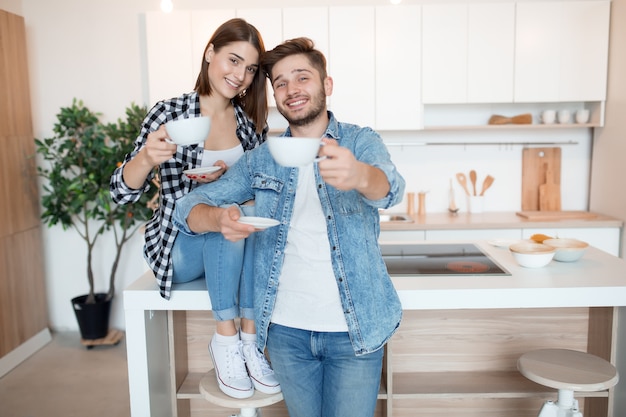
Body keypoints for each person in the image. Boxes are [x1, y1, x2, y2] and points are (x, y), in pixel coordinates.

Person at [172, 37, 405, 417]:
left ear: (326, 85)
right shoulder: (263, 159)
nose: (291, 90)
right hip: (285, 333)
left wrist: (359, 175)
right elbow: (187, 207)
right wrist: (219, 220)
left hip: (356, 330)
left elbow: (391, 190)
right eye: (280, 83)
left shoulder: (360, 142)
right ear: (275, 96)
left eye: (302, 78)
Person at [109, 18, 280, 399]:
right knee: (227, 223)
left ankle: (249, 342)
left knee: (238, 219)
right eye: (233, 61)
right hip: (177, 245)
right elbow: (120, 194)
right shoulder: (169, 114)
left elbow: (259, 190)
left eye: (250, 69)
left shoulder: (249, 124)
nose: (240, 76)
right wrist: (147, 159)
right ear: (209, 53)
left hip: (229, 241)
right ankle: (225, 340)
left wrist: (228, 181)